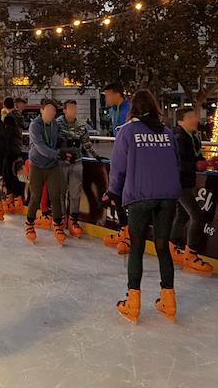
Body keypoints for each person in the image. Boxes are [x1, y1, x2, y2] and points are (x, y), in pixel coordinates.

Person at [109, 90, 181, 323]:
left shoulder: (127, 131)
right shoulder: (167, 133)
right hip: (168, 196)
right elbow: (176, 162)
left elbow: (118, 165)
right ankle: (169, 302)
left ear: (134, 109)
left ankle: (133, 302)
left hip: (140, 195)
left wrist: (113, 191)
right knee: (162, 247)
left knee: (137, 248)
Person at [169, 107, 213, 275]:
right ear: (181, 121)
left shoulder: (194, 137)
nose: (195, 119)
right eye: (191, 117)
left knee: (183, 215)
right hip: (178, 183)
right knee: (197, 216)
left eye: (195, 116)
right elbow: (180, 162)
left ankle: (172, 248)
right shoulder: (180, 138)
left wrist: (207, 162)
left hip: (186, 182)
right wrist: (196, 165)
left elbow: (196, 158)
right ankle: (191, 255)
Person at [24, 99, 68, 244]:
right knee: (36, 197)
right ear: (42, 110)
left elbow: (58, 140)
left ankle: (57, 223)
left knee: (56, 195)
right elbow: (40, 147)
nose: (51, 113)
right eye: (48, 110)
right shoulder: (34, 125)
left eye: (54, 111)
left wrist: (64, 147)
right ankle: (29, 223)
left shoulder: (55, 124)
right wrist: (57, 154)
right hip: (37, 165)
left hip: (52, 165)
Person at [56, 99, 102, 238]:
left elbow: (86, 143)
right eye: (70, 108)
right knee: (61, 192)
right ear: (64, 110)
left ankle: (73, 220)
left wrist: (96, 156)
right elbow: (52, 143)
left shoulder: (81, 126)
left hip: (76, 162)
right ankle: (62, 217)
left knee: (75, 193)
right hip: (62, 162)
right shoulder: (57, 125)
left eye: (75, 109)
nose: (73, 111)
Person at [102, 82, 132, 254]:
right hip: (120, 158)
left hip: (131, 160)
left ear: (117, 94)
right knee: (118, 195)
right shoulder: (113, 111)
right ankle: (124, 229)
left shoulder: (130, 108)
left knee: (129, 196)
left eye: (107, 95)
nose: (105, 98)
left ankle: (131, 234)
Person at [1, 97, 26, 215]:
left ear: (5, 106)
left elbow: (7, 135)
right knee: (14, 174)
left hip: (9, 149)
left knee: (9, 175)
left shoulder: (9, 118)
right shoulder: (19, 116)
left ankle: (12, 200)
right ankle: (16, 200)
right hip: (17, 147)